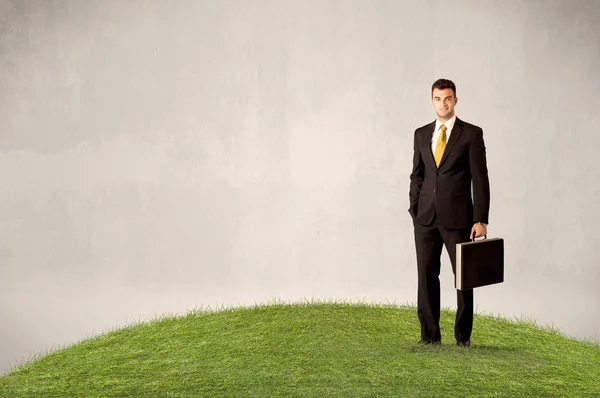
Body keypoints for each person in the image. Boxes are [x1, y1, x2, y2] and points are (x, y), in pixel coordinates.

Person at [408, 78, 490, 347]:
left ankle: (462, 338)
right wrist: (415, 208)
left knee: (463, 281)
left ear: (455, 100)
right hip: (425, 219)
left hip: (459, 220)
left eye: (447, 98)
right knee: (426, 277)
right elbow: (417, 175)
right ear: (431, 100)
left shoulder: (471, 134)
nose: (442, 103)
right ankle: (429, 337)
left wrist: (480, 219)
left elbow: (480, 179)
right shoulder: (421, 134)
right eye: (437, 98)